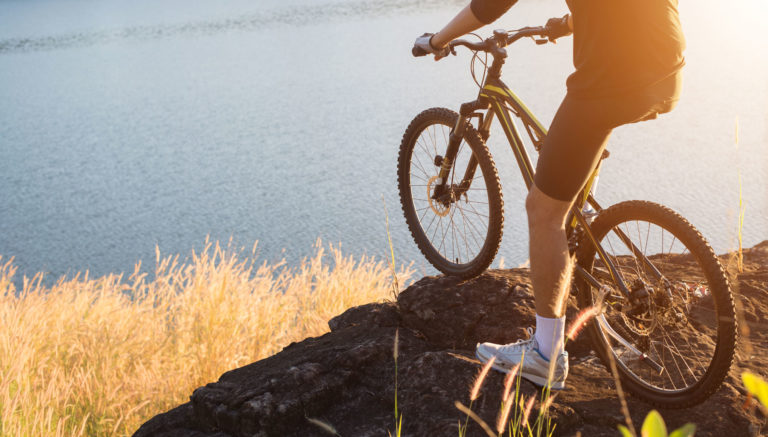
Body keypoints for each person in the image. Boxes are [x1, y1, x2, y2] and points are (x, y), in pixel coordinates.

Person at [413, 0, 685, 389]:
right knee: (578, 159)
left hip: (612, 80)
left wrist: (438, 40)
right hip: (667, 71)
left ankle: (545, 356)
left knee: (543, 211)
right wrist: (572, 22)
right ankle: (581, 224)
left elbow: (490, 6)